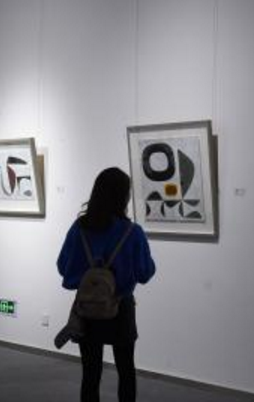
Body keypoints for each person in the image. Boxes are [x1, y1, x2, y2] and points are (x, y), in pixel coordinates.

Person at [57, 167, 156, 402]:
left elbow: (63, 267)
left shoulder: (79, 229)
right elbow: (145, 273)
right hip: (120, 308)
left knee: (90, 374)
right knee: (126, 370)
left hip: (87, 309)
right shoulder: (132, 233)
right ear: (123, 196)